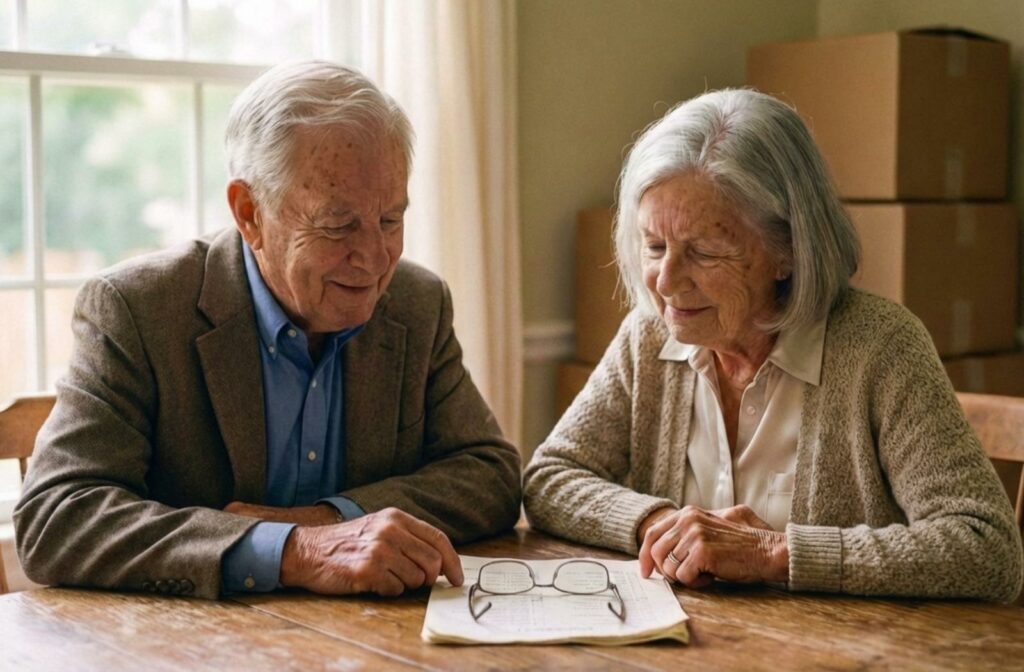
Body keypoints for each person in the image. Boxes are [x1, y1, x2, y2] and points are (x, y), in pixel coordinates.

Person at [14, 61, 521, 600]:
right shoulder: (137, 309)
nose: (375, 259)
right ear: (250, 212)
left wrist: (324, 519)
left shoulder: (417, 304)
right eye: (339, 224)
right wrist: (292, 550)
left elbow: (490, 475)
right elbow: (56, 518)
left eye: (390, 220)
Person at [523, 89, 1022, 602]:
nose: (666, 281)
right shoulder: (647, 336)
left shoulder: (882, 347)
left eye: (704, 252)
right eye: (654, 246)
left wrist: (771, 552)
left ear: (787, 251)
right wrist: (664, 523)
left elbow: (986, 549)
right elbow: (550, 480)